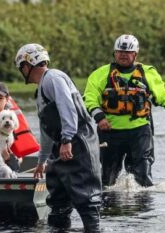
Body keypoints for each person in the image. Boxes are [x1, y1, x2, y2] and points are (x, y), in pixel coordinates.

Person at [15, 43, 102, 232]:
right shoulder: (41, 89)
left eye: (21, 67)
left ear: (27, 65)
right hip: (61, 147)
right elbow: (46, 130)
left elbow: (67, 107)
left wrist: (67, 140)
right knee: (58, 202)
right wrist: (42, 160)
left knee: (86, 198)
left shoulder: (53, 77)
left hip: (78, 143)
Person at [84, 34, 165, 187]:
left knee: (142, 178)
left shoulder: (148, 73)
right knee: (108, 179)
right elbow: (89, 98)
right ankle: (110, 208)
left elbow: (164, 97)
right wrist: (100, 118)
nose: (123, 55)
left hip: (140, 132)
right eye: (120, 52)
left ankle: (143, 209)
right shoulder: (100, 74)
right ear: (115, 53)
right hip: (110, 132)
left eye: (127, 52)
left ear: (135, 54)